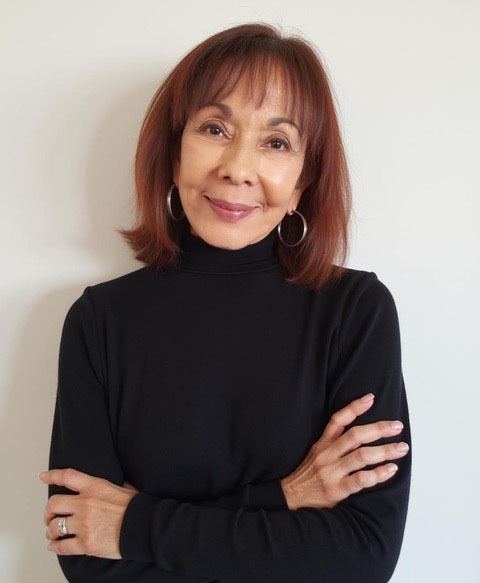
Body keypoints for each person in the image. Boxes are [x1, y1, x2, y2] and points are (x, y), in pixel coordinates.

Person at [40, 22, 412, 582]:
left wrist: (133, 525)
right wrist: (285, 498)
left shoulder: (355, 310)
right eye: (215, 128)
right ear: (174, 153)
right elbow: (86, 555)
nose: (237, 168)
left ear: (303, 181)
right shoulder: (99, 321)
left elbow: (364, 556)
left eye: (276, 142)